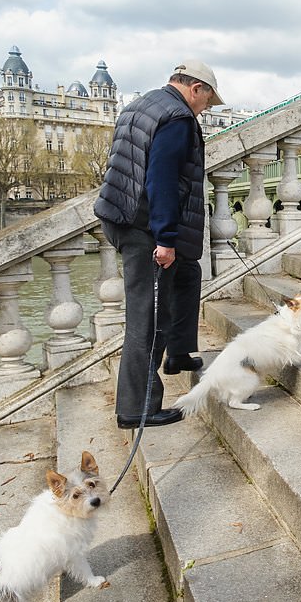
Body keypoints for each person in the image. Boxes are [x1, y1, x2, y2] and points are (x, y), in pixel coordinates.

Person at [93, 59, 225, 429]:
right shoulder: (178, 118)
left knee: (188, 272)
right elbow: (162, 180)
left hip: (121, 214)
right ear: (196, 88)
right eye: (207, 102)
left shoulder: (141, 104)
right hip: (144, 226)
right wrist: (165, 238)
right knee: (145, 319)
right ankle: (137, 409)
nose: (204, 110)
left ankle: (179, 352)